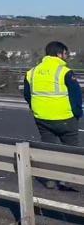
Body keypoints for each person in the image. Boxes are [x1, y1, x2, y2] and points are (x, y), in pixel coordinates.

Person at [24, 41, 82, 189]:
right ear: (59, 53)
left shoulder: (32, 72)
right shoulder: (64, 71)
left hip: (42, 117)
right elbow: (76, 95)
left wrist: (35, 108)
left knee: (48, 148)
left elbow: (27, 94)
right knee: (70, 150)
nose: (66, 57)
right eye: (65, 54)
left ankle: (49, 179)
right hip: (65, 118)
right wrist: (77, 113)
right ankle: (65, 179)